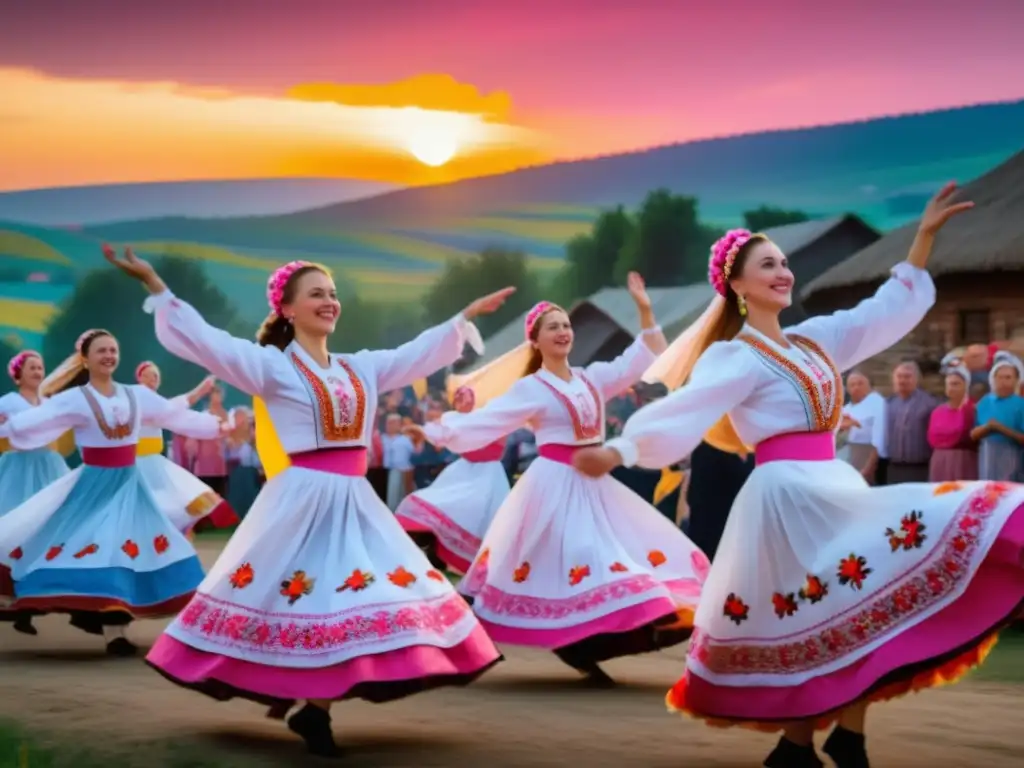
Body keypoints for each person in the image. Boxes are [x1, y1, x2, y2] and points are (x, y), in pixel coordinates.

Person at [573, 184, 1024, 768]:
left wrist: (923, 238)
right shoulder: (733, 355)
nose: (783, 272)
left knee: (862, 607)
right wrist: (622, 447)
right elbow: (689, 405)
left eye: (784, 263)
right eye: (768, 265)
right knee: (825, 612)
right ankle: (813, 743)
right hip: (786, 496)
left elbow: (879, 314)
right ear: (736, 285)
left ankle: (825, 741)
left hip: (834, 486)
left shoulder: (814, 341)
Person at [104, 247, 512, 758]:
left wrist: (462, 319)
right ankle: (313, 709)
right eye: (317, 293)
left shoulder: (359, 368)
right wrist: (158, 288)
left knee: (357, 595)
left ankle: (313, 708)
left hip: (355, 501)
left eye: (333, 293)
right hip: (302, 502)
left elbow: (412, 355)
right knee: (309, 598)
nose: (330, 301)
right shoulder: (272, 367)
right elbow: (212, 345)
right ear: (287, 309)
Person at [407, 273, 710, 687]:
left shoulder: (591, 378)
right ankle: (459, 644)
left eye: (566, 325)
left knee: (624, 563)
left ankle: (584, 646)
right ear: (535, 340)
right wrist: (435, 430)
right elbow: (486, 422)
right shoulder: (531, 388)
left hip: (595, 484)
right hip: (552, 487)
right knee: (586, 560)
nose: (564, 331)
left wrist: (643, 308)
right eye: (554, 326)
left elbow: (646, 357)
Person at [0, 329, 225, 656]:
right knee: (96, 549)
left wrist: (215, 427)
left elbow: (171, 414)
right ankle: (104, 623)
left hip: (131, 485)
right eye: (101, 351)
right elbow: (36, 421)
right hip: (93, 485)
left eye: (113, 350)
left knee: (135, 549)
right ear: (86, 359)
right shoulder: (74, 398)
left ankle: (118, 629)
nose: (108, 356)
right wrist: (7, 431)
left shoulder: (136, 395)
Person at [396, 385, 510, 574]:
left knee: (478, 516)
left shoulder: (494, 421)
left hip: (487, 476)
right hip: (463, 472)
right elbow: (443, 432)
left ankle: (466, 561)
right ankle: (431, 549)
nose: (461, 402)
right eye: (458, 398)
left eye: (464, 398)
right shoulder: (454, 420)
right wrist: (422, 431)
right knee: (438, 505)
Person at [0, 350, 70, 636]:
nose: (38, 372)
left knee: (51, 529)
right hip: (19, 468)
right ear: (18, 373)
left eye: (40, 367)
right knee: (16, 530)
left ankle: (34, 600)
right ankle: (13, 597)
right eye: (32, 367)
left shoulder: (49, 402)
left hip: (49, 466)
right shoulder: (8, 402)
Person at [134, 361, 238, 533]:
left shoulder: (157, 405)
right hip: (137, 464)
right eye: (149, 375)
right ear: (140, 378)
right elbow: (174, 412)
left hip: (154, 464)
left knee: (169, 506)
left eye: (156, 376)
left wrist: (216, 426)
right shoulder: (139, 397)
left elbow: (178, 417)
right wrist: (202, 390)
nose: (153, 379)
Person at [972, 351, 1024, 481]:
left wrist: (1001, 428)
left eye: (1008, 377)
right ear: (993, 379)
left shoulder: (1020, 404)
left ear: (1016, 380)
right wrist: (988, 427)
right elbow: (973, 435)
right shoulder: (984, 403)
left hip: (1013, 457)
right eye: (1000, 377)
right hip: (988, 457)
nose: (1003, 382)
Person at [927, 358, 978, 482]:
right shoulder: (937, 412)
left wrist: (949, 438)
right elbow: (932, 438)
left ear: (966, 386)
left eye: (956, 384)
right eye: (949, 384)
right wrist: (950, 438)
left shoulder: (972, 409)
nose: (952, 388)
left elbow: (963, 436)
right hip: (940, 461)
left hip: (963, 461)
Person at [840, 370, 887, 484]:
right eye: (852, 385)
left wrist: (869, 467)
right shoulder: (847, 408)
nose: (856, 387)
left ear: (869, 385)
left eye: (860, 383)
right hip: (849, 452)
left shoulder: (878, 404)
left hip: (869, 454)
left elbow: (880, 439)